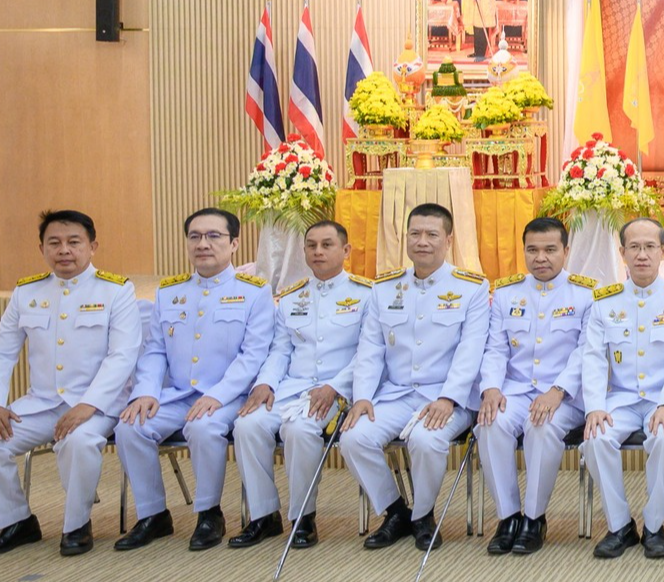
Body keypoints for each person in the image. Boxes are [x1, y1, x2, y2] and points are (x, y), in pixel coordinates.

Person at [115, 208, 275, 552]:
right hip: (176, 395)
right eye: (195, 236)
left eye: (214, 236)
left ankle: (209, 513)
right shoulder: (169, 292)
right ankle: (154, 514)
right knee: (130, 426)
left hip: (230, 395)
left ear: (234, 243)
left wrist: (218, 396)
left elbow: (253, 355)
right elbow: (155, 351)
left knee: (203, 427)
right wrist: (144, 392)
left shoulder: (255, 292)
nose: (204, 244)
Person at [340, 203, 489, 551]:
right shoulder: (384, 288)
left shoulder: (472, 288)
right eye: (415, 234)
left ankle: (423, 516)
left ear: (448, 240)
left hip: (447, 397)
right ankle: (395, 511)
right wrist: (362, 396)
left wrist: (449, 398)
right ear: (405, 238)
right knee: (354, 437)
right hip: (395, 395)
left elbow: (471, 352)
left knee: (426, 440)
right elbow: (370, 349)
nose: (422, 241)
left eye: (432, 234)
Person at [0, 210, 141, 555]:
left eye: (73, 242)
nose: (64, 250)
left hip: (99, 405)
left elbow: (122, 356)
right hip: (42, 403)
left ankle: (76, 525)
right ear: (42, 248)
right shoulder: (26, 292)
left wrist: (88, 405)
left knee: (77, 442)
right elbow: (4, 352)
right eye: (55, 243)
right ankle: (16, 520)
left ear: (92, 246)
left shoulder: (116, 291)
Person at [232, 219, 371, 549]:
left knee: (300, 430)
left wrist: (336, 387)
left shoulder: (366, 295)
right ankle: (264, 515)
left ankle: (303, 517)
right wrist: (264, 383)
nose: (318, 252)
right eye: (312, 246)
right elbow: (281, 349)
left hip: (338, 392)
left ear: (345, 250)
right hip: (291, 388)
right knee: (246, 425)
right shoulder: (292, 297)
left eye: (327, 245)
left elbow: (368, 354)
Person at [582, 218, 664, 560]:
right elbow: (592, 357)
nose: (642, 255)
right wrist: (594, 407)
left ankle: (654, 525)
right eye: (634, 247)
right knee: (595, 438)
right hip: (620, 400)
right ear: (622, 253)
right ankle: (620, 525)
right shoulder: (604, 302)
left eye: (650, 247)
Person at [476, 217, 595, 555]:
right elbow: (495, 349)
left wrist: (558, 391)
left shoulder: (586, 294)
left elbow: (586, 352)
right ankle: (507, 516)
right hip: (513, 392)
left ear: (566, 251)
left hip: (565, 397)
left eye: (550, 250)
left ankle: (534, 517)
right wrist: (491, 389)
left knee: (540, 426)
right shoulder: (506, 293)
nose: (541, 258)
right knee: (489, 422)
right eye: (533, 250)